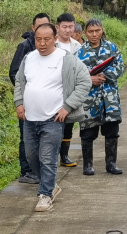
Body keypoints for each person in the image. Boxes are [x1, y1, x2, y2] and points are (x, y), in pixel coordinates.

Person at [14, 23, 92, 212]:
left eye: (46, 39)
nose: (42, 43)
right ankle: (50, 186)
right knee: (31, 157)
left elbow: (85, 82)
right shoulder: (29, 58)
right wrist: (19, 102)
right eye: (38, 39)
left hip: (53, 119)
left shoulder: (66, 59)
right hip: (30, 119)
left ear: (55, 39)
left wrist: (67, 107)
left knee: (47, 158)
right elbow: (19, 81)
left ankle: (45, 195)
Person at [77, 19, 125, 175]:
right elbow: (74, 74)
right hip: (89, 99)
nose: (94, 34)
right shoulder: (79, 52)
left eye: (97, 31)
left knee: (112, 131)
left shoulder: (111, 48)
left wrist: (104, 76)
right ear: (85, 33)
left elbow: (120, 66)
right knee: (88, 132)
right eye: (90, 31)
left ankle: (111, 164)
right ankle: (88, 165)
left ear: (102, 30)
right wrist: (90, 79)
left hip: (109, 99)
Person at [10, 13, 52, 184]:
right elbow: (14, 73)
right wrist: (26, 93)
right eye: (39, 27)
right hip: (28, 103)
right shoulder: (25, 47)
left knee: (44, 137)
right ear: (33, 28)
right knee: (27, 137)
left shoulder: (54, 49)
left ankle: (40, 171)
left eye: (46, 26)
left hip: (46, 105)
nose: (42, 30)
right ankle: (26, 171)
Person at [55, 13, 82, 167]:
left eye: (71, 27)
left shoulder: (77, 46)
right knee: (54, 124)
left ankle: (64, 156)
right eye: (64, 27)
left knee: (69, 123)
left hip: (71, 91)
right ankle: (52, 155)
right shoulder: (52, 44)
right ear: (57, 27)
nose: (68, 30)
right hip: (55, 90)